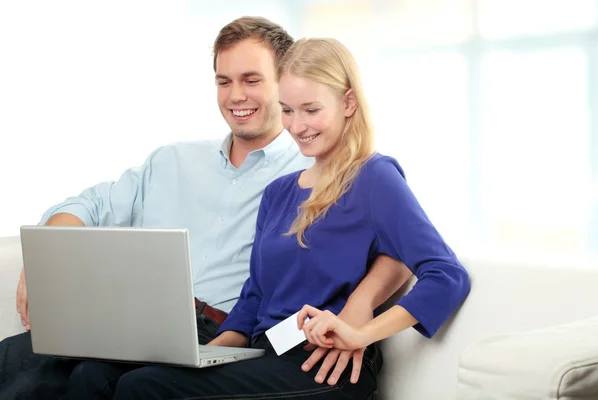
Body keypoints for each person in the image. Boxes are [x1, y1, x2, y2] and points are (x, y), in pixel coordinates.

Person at [0, 17, 411, 400]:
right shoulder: (172, 160)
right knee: (15, 363)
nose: (236, 96)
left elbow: (400, 243)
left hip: (223, 326)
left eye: (252, 80)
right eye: (224, 81)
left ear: (286, 84)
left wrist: (361, 307)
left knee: (105, 380)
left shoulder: (315, 167)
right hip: (142, 321)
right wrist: (48, 260)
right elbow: (88, 205)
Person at [86, 37, 471, 400]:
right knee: (101, 377)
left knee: (145, 389)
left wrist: (361, 333)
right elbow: (254, 296)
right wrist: (202, 355)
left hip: (322, 364)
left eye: (311, 110)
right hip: (265, 352)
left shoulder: (373, 176)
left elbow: (446, 274)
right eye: (287, 110)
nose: (297, 126)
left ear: (348, 103)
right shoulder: (280, 192)